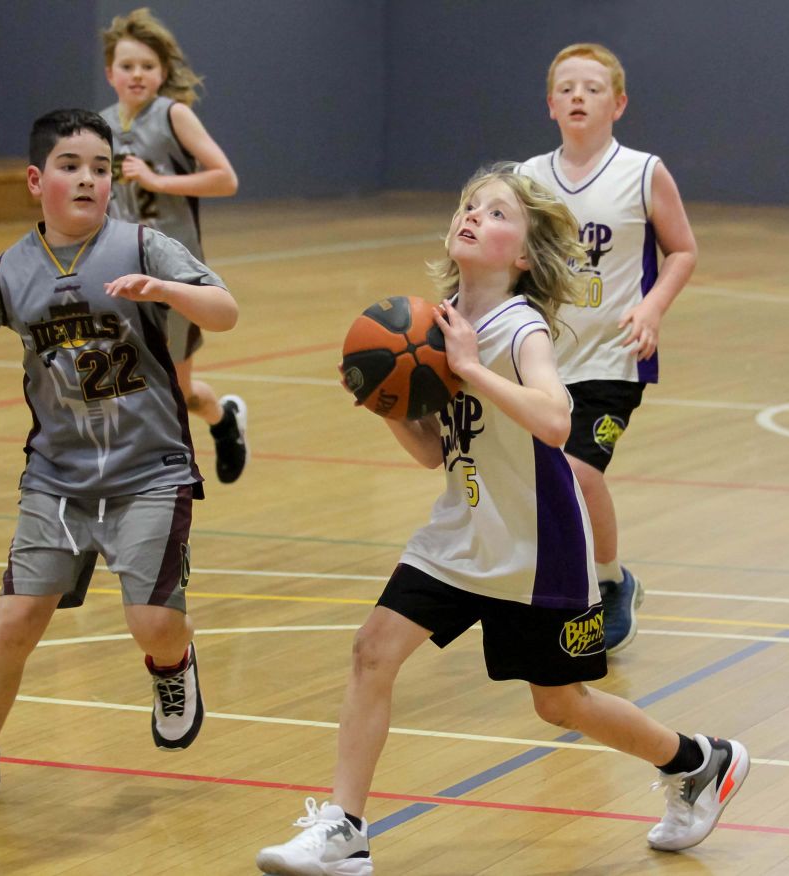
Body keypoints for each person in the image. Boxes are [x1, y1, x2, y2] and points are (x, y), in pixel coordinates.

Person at [255, 166, 745, 874]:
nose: (474, 216)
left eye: (497, 213)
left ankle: (700, 762)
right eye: (469, 206)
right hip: (461, 532)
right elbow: (432, 453)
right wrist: (387, 403)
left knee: (562, 704)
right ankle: (345, 830)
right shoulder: (438, 322)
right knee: (371, 651)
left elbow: (555, 419)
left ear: (522, 256)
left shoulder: (521, 330)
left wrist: (472, 369)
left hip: (537, 547)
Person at [0, 108, 238, 808]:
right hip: (58, 477)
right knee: (16, 617)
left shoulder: (141, 245)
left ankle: (172, 664)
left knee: (152, 621)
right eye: (72, 166)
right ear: (38, 179)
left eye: (102, 169)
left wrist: (167, 292)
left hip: (150, 470)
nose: (89, 180)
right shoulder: (10, 271)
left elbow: (224, 309)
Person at [517, 43, 698, 654]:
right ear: (549, 104)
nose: (578, 96)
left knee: (578, 469)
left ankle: (611, 581)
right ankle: (552, 589)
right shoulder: (527, 179)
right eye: (566, 87)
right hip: (541, 359)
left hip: (614, 359)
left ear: (618, 104)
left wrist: (652, 307)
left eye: (593, 88)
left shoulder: (643, 172)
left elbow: (684, 250)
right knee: (538, 480)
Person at [100, 7, 247, 484]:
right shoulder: (100, 126)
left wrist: (160, 182)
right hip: (119, 271)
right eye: (127, 66)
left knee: (177, 392)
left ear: (161, 72)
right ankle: (143, 478)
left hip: (173, 274)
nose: (137, 74)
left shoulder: (173, 115)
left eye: (147, 65)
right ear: (110, 73)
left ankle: (222, 419)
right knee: (127, 382)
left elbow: (226, 179)